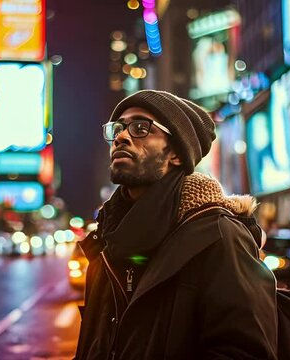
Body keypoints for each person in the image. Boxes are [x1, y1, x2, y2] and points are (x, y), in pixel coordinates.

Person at [75, 90, 277, 359]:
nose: (121, 136)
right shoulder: (107, 241)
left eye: (139, 128)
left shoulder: (219, 235)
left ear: (177, 155)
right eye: (118, 128)